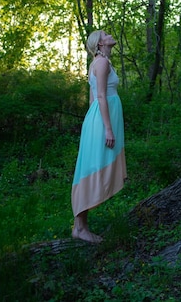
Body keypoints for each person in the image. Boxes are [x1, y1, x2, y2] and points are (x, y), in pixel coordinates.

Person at [71, 30, 127, 243]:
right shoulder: (101, 63)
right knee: (91, 169)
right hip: (102, 122)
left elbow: (93, 97)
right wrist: (107, 129)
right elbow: (101, 96)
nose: (110, 34)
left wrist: (93, 124)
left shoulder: (100, 62)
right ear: (100, 43)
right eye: (105, 34)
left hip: (97, 120)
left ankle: (81, 225)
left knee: (93, 168)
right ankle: (80, 228)